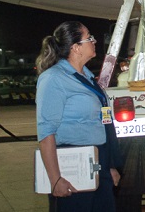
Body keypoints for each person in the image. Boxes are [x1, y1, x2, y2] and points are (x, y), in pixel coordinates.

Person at [36, 21, 124, 211]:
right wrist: (55, 179)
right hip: (73, 165)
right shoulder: (53, 78)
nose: (94, 41)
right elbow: (46, 133)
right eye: (89, 38)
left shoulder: (87, 77)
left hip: (99, 160)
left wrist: (109, 166)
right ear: (75, 48)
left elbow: (99, 123)